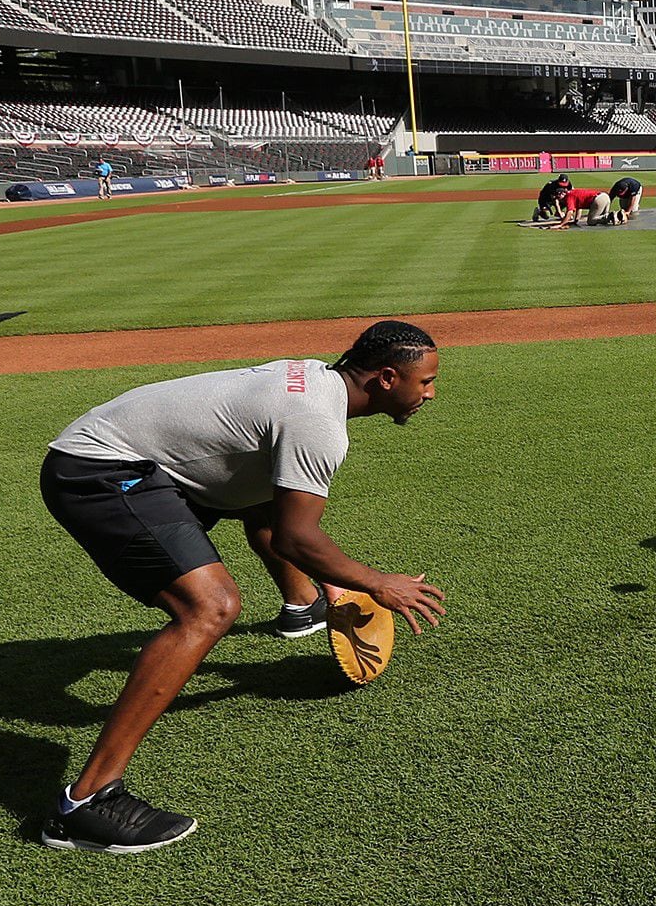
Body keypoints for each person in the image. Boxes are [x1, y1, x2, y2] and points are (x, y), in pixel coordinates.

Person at [36, 320, 448, 853]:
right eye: (427, 382)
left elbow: (270, 516)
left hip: (135, 460)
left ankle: (303, 607)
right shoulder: (317, 422)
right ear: (389, 379)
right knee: (210, 608)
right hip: (99, 471)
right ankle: (85, 804)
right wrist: (375, 584)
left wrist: (335, 592)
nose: (431, 393)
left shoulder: (315, 380)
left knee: (257, 502)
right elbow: (298, 538)